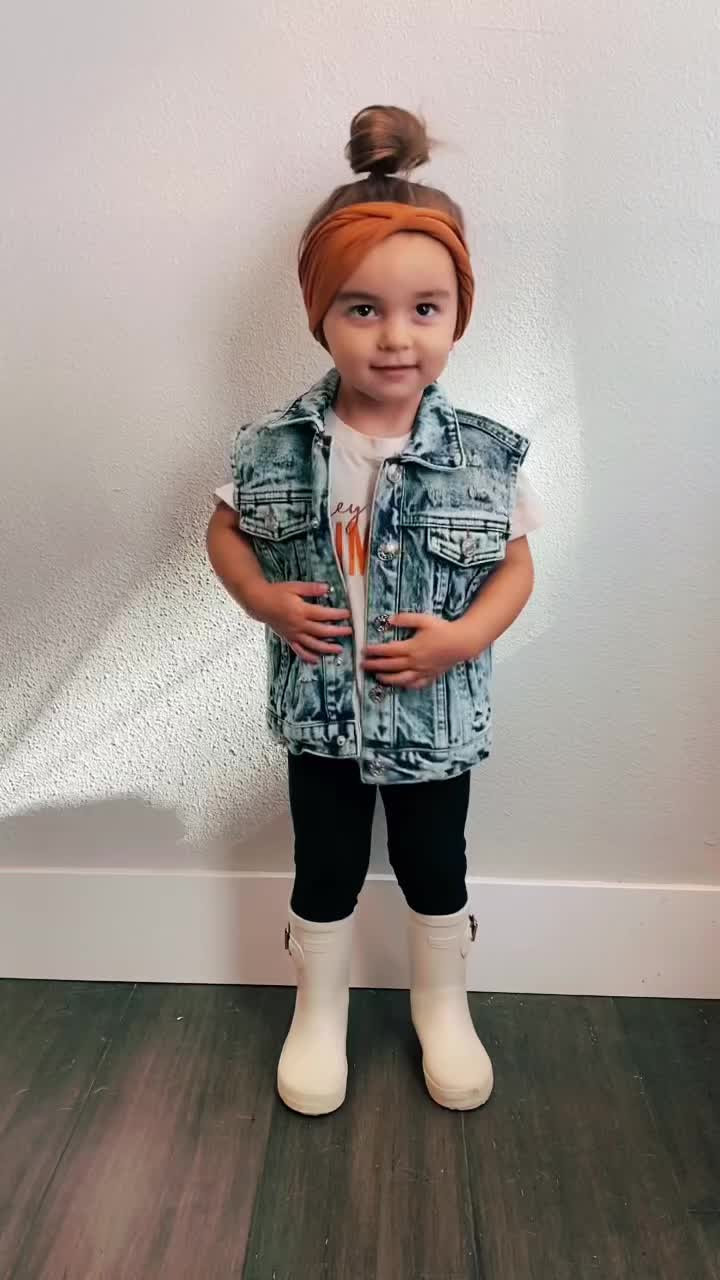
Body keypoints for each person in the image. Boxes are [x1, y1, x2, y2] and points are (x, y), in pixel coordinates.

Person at [207, 105, 543, 1117]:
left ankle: (442, 1003)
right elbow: (225, 533)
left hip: (436, 717)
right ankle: (320, 1010)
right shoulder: (273, 445)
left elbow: (516, 566)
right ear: (320, 314)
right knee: (327, 864)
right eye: (363, 309)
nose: (396, 337)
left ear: (457, 315)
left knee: (437, 862)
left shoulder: (486, 453)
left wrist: (465, 636)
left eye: (424, 308)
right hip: (321, 720)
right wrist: (262, 596)